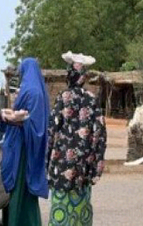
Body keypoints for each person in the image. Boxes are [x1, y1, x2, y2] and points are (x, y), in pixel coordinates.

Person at [47, 51, 107, 226]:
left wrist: (46, 161)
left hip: (61, 163)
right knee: (80, 206)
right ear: (83, 77)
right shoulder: (92, 100)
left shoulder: (63, 98)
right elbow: (99, 134)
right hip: (83, 164)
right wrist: (96, 167)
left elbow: (52, 130)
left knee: (60, 205)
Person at [0, 57, 50, 226]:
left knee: (20, 190)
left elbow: (36, 124)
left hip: (23, 150)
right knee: (23, 194)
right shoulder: (34, 90)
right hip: (21, 146)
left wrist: (13, 119)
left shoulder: (33, 92)